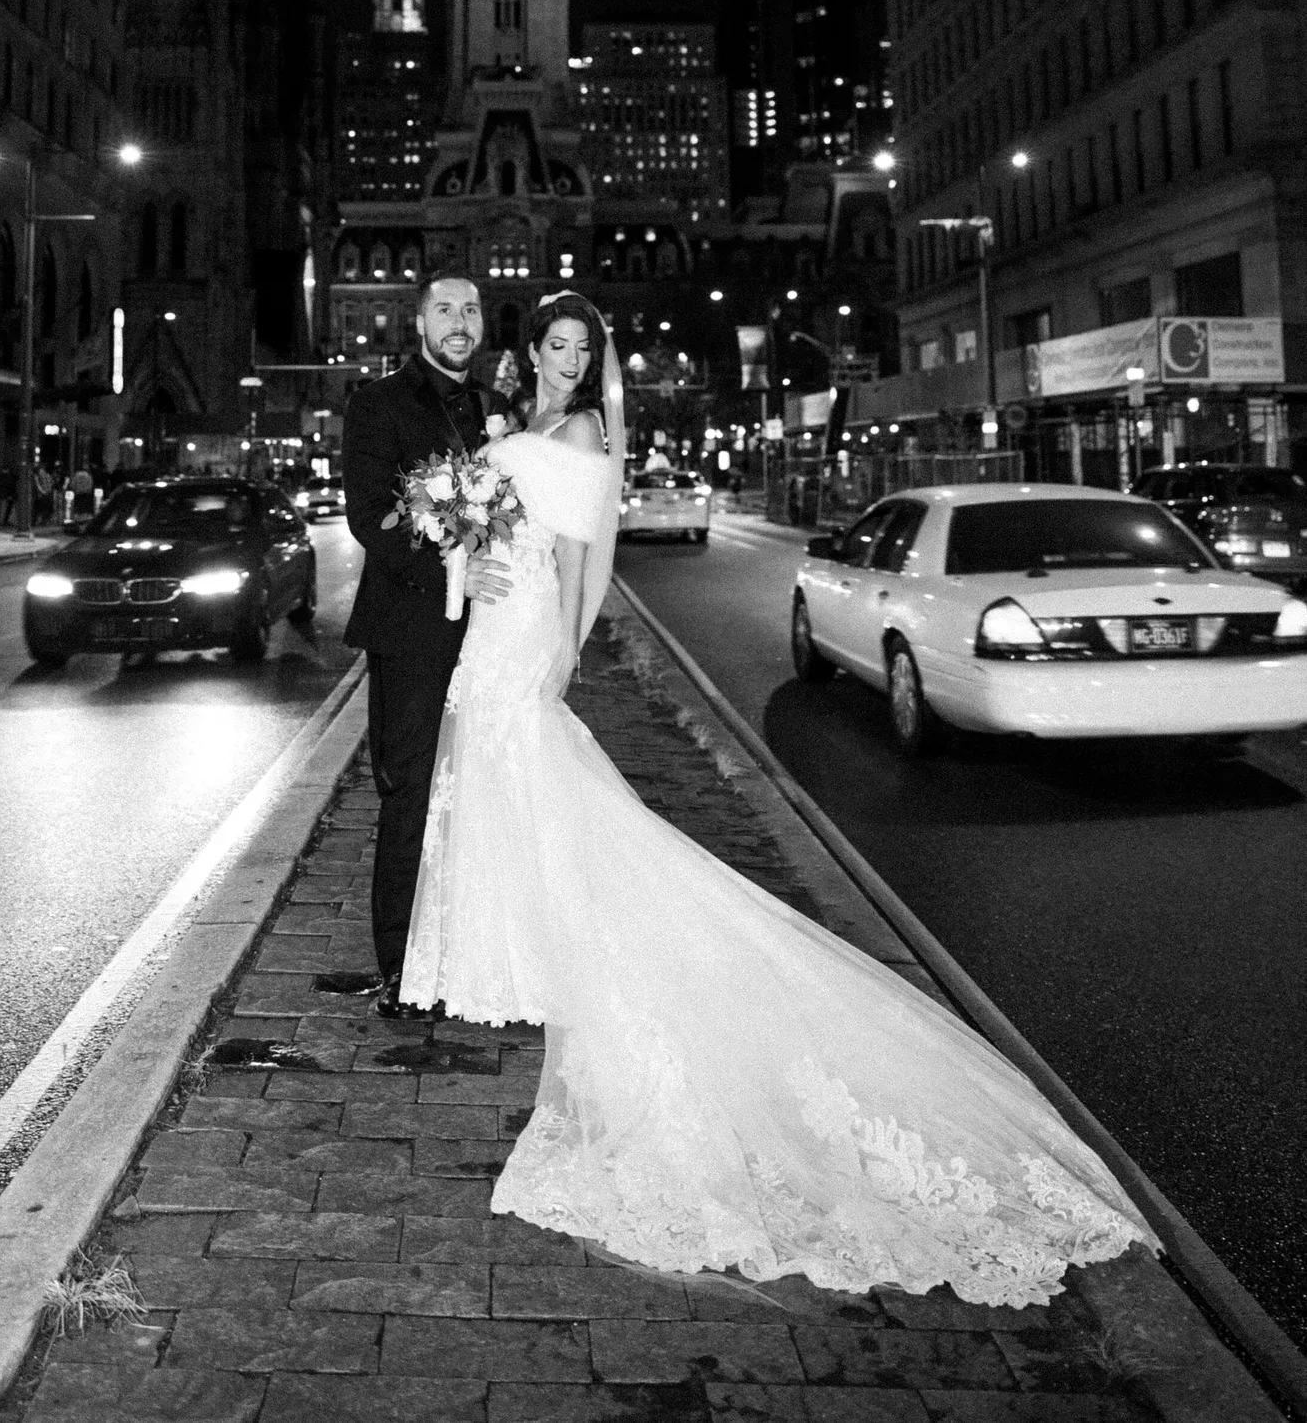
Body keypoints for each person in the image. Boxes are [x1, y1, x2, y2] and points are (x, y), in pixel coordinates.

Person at [398, 289, 1157, 1306]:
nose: (572, 362)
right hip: (493, 617)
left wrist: (565, 654)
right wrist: (472, 558)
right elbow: (493, 526)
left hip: (531, 633)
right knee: (510, 788)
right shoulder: (514, 424)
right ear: (530, 350)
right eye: (559, 345)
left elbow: (588, 554)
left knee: (546, 782)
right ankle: (526, 950)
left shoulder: (577, 427)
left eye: (586, 348)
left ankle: (570, 951)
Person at [342, 272, 512, 1018]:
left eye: (470, 310)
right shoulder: (376, 404)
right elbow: (369, 518)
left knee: (478, 796)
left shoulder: (498, 412)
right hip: (411, 633)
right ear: (419, 323)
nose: (459, 321)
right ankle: (403, 975)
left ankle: (469, 955)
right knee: (410, 795)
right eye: (445, 309)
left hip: (495, 641)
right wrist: (454, 571)